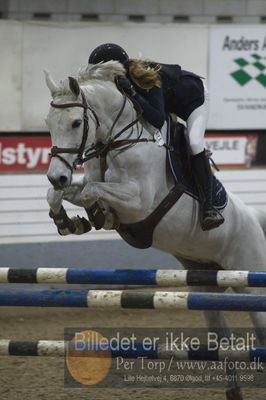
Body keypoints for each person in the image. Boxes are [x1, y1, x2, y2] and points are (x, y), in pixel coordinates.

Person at [88, 43, 224, 231]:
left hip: (194, 98)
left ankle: (209, 208)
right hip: (169, 101)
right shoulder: (118, 84)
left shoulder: (148, 74)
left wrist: (133, 92)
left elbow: (157, 119)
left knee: (194, 142)